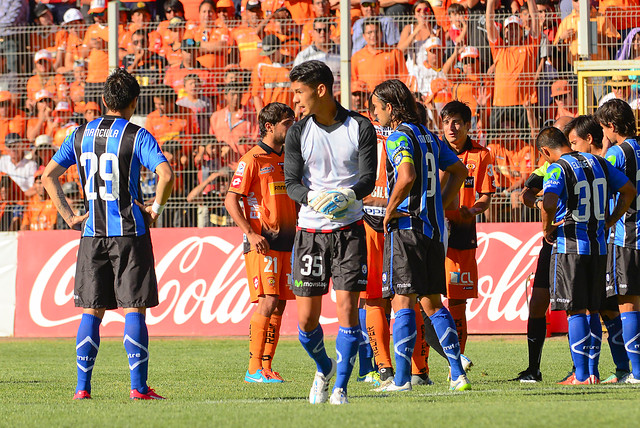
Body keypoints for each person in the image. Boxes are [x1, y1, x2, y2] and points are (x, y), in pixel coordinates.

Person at [41, 68, 174, 400]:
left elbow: (48, 176)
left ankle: (82, 388)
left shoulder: (79, 135)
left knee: (91, 310)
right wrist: (155, 209)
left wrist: (70, 216)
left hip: (91, 235)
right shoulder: (136, 134)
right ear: (134, 102)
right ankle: (138, 387)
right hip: (129, 232)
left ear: (103, 100)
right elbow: (166, 174)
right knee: (134, 309)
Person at [284, 60, 376, 405]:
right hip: (310, 232)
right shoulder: (298, 132)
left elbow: (368, 177)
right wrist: (314, 198)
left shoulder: (360, 127)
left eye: (299, 92)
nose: (296, 100)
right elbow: (291, 183)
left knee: (347, 311)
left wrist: (348, 195)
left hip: (349, 230)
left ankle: (340, 387)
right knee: (306, 321)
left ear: (320, 90)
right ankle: (324, 367)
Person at [369, 79, 469, 392]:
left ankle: (401, 380)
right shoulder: (429, 136)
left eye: (376, 107)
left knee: (402, 302)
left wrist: (389, 209)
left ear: (389, 107)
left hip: (407, 229)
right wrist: (439, 202)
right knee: (432, 302)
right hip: (434, 231)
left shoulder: (398, 136)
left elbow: (407, 176)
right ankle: (458, 374)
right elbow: (460, 173)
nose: (375, 114)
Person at [538, 126, 634, 385]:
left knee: (575, 310)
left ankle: (581, 375)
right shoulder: (599, 162)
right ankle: (592, 372)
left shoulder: (557, 167)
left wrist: (546, 228)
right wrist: (611, 220)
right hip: (600, 248)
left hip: (570, 247)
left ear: (546, 151)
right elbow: (629, 190)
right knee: (593, 309)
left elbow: (548, 203)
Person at [224, 102, 296, 383]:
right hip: (262, 242)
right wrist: (251, 234)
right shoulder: (252, 159)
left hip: (288, 240)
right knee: (267, 301)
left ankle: (266, 367)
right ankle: (253, 368)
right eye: (287, 124)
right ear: (269, 126)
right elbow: (231, 199)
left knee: (279, 304)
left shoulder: (289, 157)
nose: (292, 128)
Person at [512, 115, 573, 383]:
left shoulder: (579, 163)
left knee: (577, 305)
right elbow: (525, 194)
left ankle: (579, 368)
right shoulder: (547, 166)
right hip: (551, 240)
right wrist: (543, 204)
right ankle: (533, 369)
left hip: (574, 240)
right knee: (538, 303)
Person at [439, 101, 494, 360]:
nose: (451, 127)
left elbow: (485, 196)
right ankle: (420, 369)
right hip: (434, 230)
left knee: (458, 302)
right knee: (423, 299)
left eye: (456, 122)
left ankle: (457, 360)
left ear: (468, 125)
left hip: (462, 233)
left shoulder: (482, 155)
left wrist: (472, 211)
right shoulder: (433, 151)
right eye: (446, 121)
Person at [596, 99, 640, 383]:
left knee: (628, 302)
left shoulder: (617, 154)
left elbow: (600, 183)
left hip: (629, 235)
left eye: (603, 128)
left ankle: (636, 372)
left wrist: (609, 219)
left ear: (611, 126)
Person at [21, 166, 57, 230]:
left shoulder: (53, 201)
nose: (42, 186)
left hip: (48, 237)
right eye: (39, 183)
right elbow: (24, 225)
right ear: (34, 184)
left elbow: (53, 225)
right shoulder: (30, 202)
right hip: (32, 237)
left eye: (44, 183)